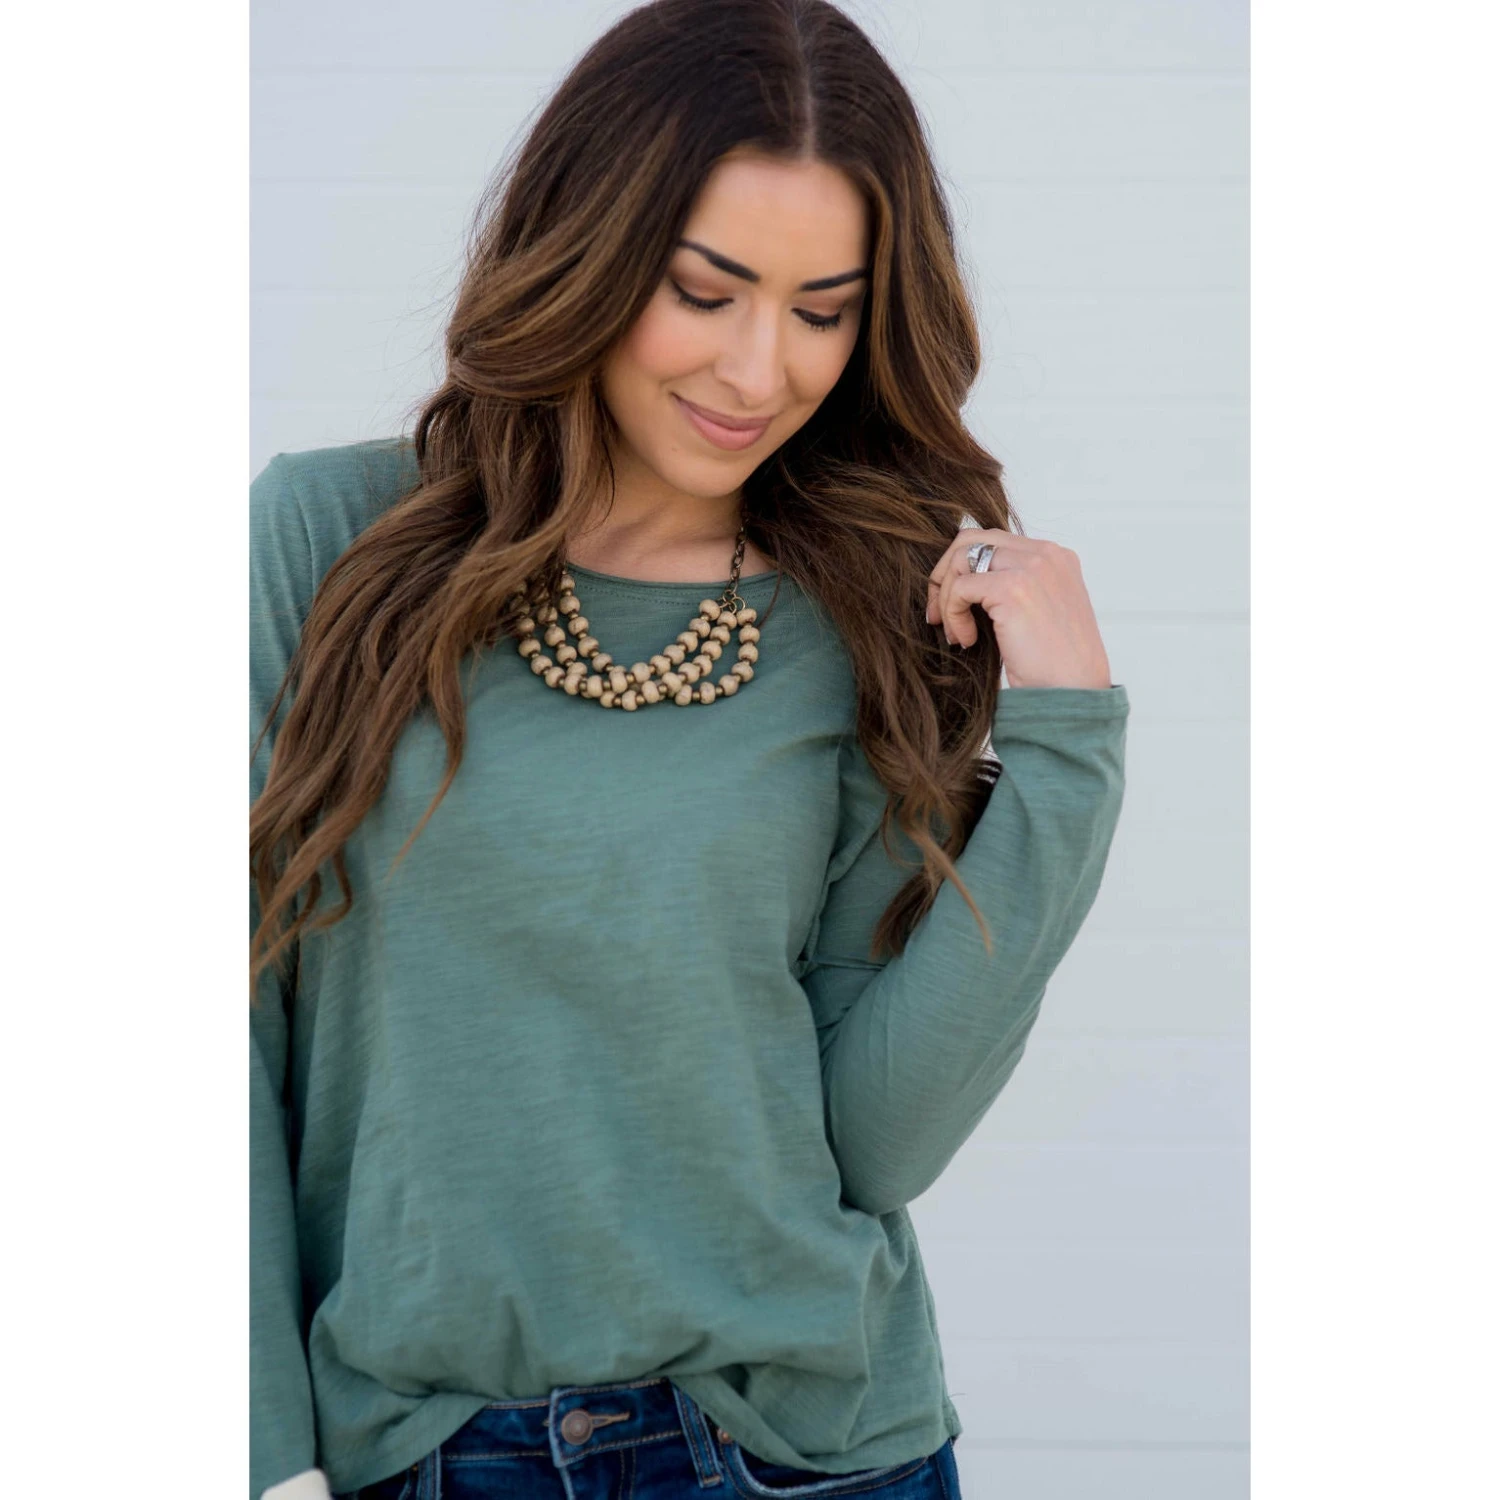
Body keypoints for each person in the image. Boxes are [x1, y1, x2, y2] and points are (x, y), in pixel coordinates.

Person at [249, 1, 1130, 1496]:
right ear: (586, 248)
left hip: (808, 1452)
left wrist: (1069, 752)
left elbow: (874, 1147)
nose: (759, 371)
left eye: (823, 311)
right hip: (435, 1453)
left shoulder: (871, 609)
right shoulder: (332, 543)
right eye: (704, 292)